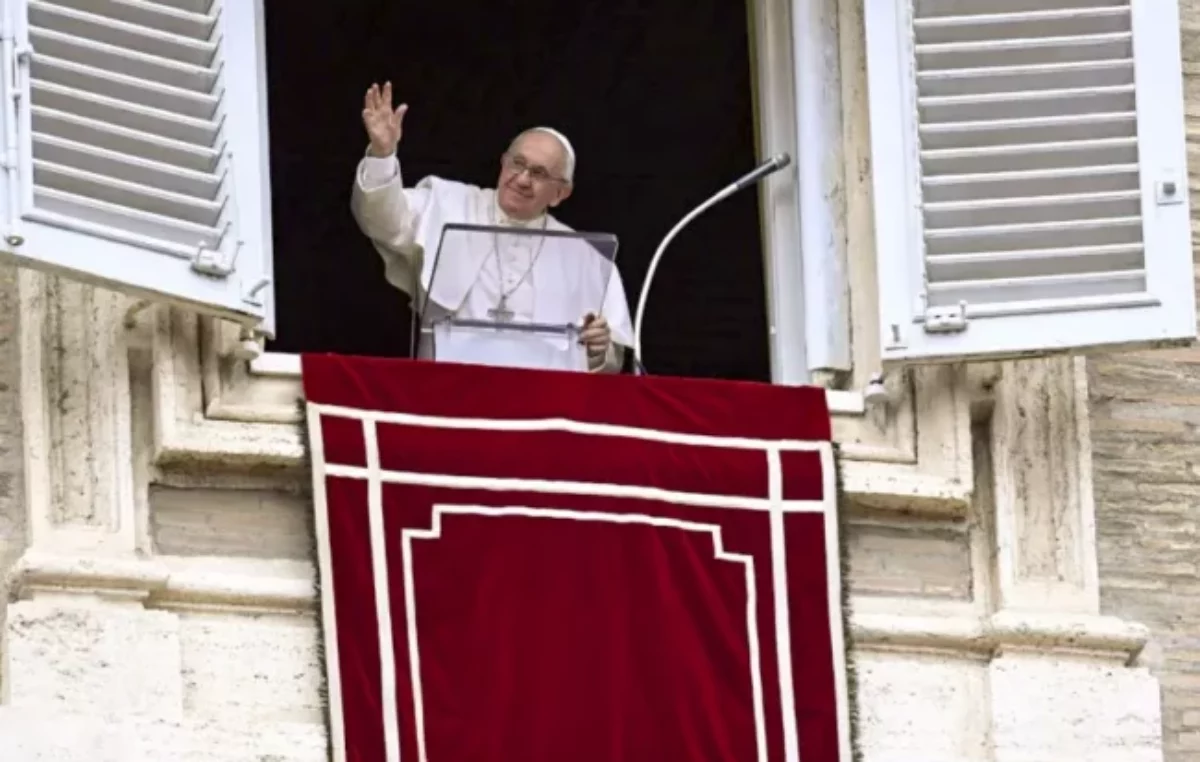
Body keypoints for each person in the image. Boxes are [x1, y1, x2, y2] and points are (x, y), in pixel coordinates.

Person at [351, 82, 632, 373]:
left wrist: (599, 351)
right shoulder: (447, 203)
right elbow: (381, 220)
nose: (522, 179)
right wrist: (382, 156)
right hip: (445, 392)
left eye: (538, 173)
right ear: (502, 164)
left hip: (540, 405)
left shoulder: (585, 258)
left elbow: (610, 359)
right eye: (517, 164)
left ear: (561, 193)